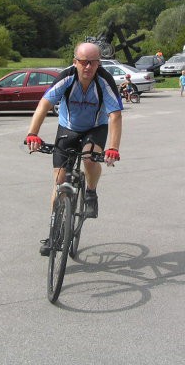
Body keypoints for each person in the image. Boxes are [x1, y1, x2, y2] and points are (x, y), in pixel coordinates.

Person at [25, 42, 123, 256]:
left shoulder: (104, 81)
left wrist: (113, 147)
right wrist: (33, 133)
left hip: (96, 127)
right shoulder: (67, 78)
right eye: (83, 62)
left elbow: (115, 115)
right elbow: (44, 105)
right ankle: (54, 234)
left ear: (99, 63)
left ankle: (91, 192)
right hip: (68, 128)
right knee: (59, 181)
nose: (88, 67)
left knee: (89, 158)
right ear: (74, 62)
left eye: (93, 62)